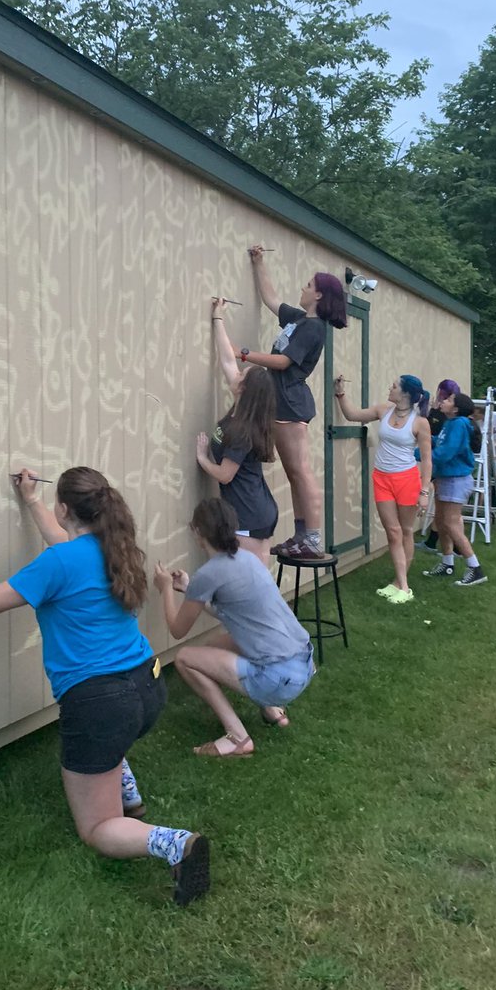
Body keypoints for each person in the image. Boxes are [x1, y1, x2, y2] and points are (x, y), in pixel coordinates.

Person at [0, 466, 210, 907]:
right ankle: (127, 791)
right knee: (112, 736)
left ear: (65, 508)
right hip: (148, 687)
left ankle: (176, 844)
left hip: (101, 705)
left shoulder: (60, 563)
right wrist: (33, 501)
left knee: (96, 829)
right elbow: (64, 546)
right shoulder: (116, 549)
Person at [153, 498, 315, 756]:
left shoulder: (209, 573)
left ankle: (238, 737)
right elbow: (231, 611)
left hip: (279, 677)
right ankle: (272, 710)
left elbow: (177, 629)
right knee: (215, 646)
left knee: (185, 658)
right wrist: (188, 588)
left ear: (198, 533)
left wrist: (165, 590)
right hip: (303, 664)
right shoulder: (247, 559)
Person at [239, 245, 347, 561]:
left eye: (308, 285)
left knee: (300, 471)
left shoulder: (313, 328)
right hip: (282, 403)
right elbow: (271, 299)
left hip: (290, 403)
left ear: (319, 296)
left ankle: (311, 539)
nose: (303, 288)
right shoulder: (300, 320)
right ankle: (301, 536)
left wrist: (243, 354)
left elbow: (284, 362)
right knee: (293, 473)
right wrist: (259, 262)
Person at [333, 374, 432, 604]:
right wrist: (340, 393)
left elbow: (427, 460)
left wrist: (424, 492)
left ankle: (402, 585)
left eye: (395, 386)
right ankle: (399, 583)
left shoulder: (420, 422)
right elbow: (352, 415)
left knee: (405, 531)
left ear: (405, 394)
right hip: (381, 478)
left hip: (407, 480)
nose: (390, 387)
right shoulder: (383, 410)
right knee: (393, 532)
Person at [197, 297, 279, 565]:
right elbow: (227, 360)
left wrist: (203, 459)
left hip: (249, 515)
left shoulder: (242, 430)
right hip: (254, 508)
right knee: (252, 582)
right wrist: (218, 317)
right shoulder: (242, 406)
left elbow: (224, 475)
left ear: (245, 389)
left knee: (251, 584)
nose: (237, 374)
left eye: (243, 376)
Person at [422, 392, 488, 587]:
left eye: (449, 400)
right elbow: (438, 442)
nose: (443, 401)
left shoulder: (459, 424)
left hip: (456, 480)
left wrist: (420, 454)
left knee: (450, 523)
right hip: (446, 479)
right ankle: (447, 563)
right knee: (441, 522)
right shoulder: (450, 423)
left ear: (456, 408)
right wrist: (421, 439)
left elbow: (446, 452)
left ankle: (475, 568)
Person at [416, 379, 461, 553]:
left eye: (444, 397)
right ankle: (436, 544)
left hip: (443, 465)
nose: (441, 400)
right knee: (441, 509)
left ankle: (459, 550)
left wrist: (421, 454)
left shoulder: (452, 420)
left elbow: (442, 444)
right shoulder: (444, 414)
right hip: (438, 462)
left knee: (450, 514)